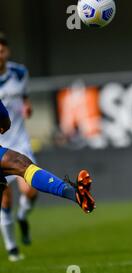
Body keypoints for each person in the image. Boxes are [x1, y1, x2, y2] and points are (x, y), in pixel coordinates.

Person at [0, 98, 96, 262]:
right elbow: (5, 123)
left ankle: (77, 195)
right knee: (17, 174)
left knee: (21, 167)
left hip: (14, 145)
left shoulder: (18, 74)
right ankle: (12, 248)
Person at [0, 33, 38, 248]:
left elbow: (24, 98)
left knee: (31, 189)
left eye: (2, 50)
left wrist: (27, 106)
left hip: (20, 141)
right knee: (5, 198)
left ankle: (23, 216)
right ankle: (12, 247)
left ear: (7, 51)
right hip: (0, 145)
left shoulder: (20, 72)